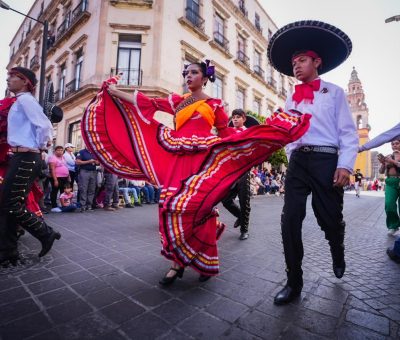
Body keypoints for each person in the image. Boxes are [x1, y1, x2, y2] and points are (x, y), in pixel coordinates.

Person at [81, 60, 311, 286]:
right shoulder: (178, 101)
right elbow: (144, 102)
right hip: (177, 157)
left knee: (198, 208)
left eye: (193, 72)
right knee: (169, 205)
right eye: (186, 73)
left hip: (203, 159)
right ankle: (177, 263)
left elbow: (224, 132)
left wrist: (249, 140)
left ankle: (201, 260)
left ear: (204, 78)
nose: (188, 76)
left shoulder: (215, 105)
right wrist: (114, 91)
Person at [267, 21, 359, 305]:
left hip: (326, 161)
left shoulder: (334, 93)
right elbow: (286, 130)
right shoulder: (290, 96)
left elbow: (347, 132)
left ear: (316, 62)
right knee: (290, 221)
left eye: (302, 60)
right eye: (293, 62)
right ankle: (293, 282)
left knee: (328, 218)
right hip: (298, 162)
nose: (296, 65)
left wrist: (344, 165)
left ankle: (337, 245)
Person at [0, 67, 61, 263]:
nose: (8, 80)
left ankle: (45, 233)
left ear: (24, 81)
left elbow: (44, 125)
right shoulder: (21, 101)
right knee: (8, 204)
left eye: (13, 77)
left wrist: (41, 146)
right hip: (22, 157)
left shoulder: (25, 100)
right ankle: (8, 252)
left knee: (10, 203)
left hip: (26, 157)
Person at [222, 109, 252, 240]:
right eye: (233, 117)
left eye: (238, 117)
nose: (235, 119)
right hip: (230, 171)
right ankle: (240, 216)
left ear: (244, 119)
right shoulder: (228, 133)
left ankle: (244, 230)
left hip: (244, 170)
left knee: (245, 201)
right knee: (225, 199)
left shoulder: (249, 133)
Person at [377, 140, 400, 236]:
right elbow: (381, 171)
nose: (394, 145)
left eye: (397, 143)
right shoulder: (388, 156)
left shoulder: (391, 158)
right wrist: (383, 163)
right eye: (392, 144)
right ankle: (393, 226)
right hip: (390, 182)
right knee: (389, 204)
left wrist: (393, 161)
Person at [75, 146, 98, 212]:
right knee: (83, 188)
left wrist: (97, 162)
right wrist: (88, 161)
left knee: (92, 189)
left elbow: (99, 162)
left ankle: (89, 205)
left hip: (93, 172)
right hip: (84, 171)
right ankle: (83, 205)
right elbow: (77, 162)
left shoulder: (95, 152)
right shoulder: (81, 152)